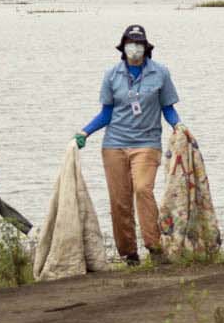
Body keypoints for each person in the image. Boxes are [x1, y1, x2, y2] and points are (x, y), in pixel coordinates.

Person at [74, 24, 180, 264]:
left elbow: (168, 108)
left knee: (143, 189)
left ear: (146, 47)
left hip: (147, 142)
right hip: (115, 144)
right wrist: (84, 132)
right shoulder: (112, 75)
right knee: (119, 200)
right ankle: (129, 253)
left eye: (139, 44)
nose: (135, 48)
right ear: (123, 47)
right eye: (131, 43)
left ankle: (154, 247)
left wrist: (179, 126)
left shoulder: (160, 73)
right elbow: (106, 113)